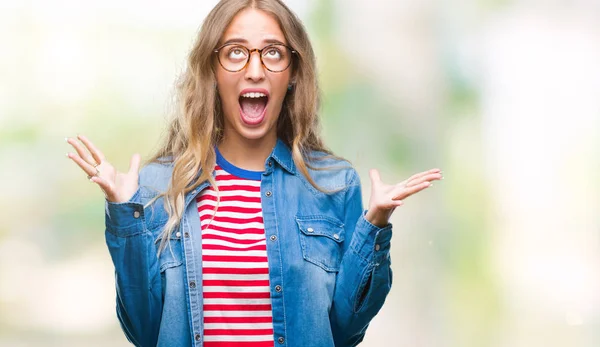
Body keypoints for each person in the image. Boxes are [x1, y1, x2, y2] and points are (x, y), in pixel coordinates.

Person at [66, 0, 442, 346]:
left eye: (273, 53)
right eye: (235, 53)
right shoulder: (158, 186)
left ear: (292, 73)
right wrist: (125, 215)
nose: (255, 70)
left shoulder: (333, 185)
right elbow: (144, 331)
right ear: (212, 72)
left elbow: (344, 330)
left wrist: (374, 226)